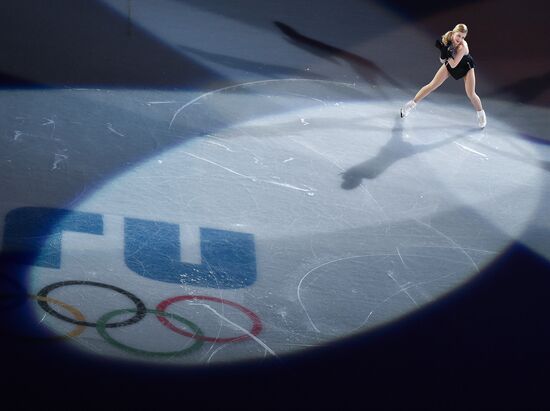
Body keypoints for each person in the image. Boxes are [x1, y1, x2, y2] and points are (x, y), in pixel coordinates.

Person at [400, 24, 486, 128]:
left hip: (465, 66)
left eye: (463, 37)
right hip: (451, 63)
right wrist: (443, 52)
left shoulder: (463, 47)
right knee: (432, 85)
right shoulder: (447, 37)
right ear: (454, 33)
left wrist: (447, 54)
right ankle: (409, 105)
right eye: (459, 35)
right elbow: (442, 60)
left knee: (471, 94)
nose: (460, 39)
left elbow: (454, 65)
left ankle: (481, 114)